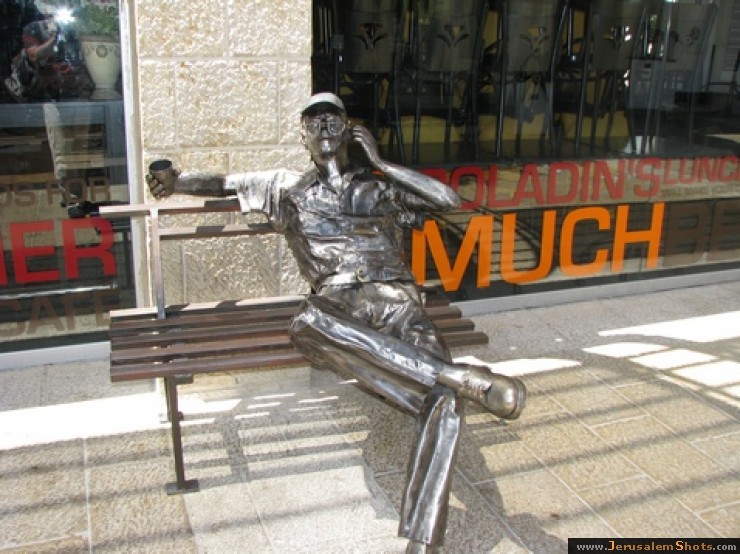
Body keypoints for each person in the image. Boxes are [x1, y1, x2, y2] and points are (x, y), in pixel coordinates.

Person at [147, 92, 526, 553]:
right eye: (314, 121)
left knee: (443, 402)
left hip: (397, 301)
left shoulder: (379, 185)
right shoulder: (285, 187)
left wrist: (381, 163)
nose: (323, 126)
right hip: (337, 306)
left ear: (350, 130)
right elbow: (223, 183)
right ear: (303, 136)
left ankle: (423, 542)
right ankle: (457, 376)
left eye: (332, 119)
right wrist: (176, 181)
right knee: (308, 323)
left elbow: (447, 200)